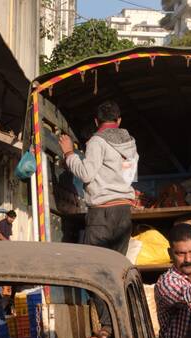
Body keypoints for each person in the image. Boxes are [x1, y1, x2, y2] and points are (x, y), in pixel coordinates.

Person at [57, 101, 138, 256]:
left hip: (102, 212)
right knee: (118, 262)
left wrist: (69, 153)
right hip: (124, 211)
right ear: (119, 120)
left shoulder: (97, 141)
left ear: (96, 121)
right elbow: (130, 176)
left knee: (95, 261)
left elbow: (86, 174)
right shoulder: (130, 143)